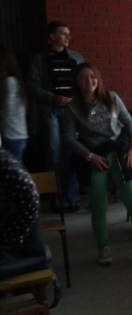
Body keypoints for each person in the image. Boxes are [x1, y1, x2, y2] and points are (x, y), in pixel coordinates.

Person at [62, 62, 132, 266]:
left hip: (119, 153)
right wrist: (89, 156)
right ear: (76, 81)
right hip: (94, 157)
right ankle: (104, 249)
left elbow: (129, 122)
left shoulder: (111, 98)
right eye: (83, 77)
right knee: (99, 206)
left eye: (92, 77)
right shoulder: (72, 107)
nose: (88, 81)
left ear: (98, 78)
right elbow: (68, 137)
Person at [0, 145, 62, 315]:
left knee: (31, 304)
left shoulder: (5, 164)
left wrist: (8, 241)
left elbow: (30, 199)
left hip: (23, 244)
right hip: (10, 239)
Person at [27, 21, 84, 212]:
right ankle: (57, 198)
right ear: (52, 37)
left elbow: (86, 82)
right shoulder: (39, 59)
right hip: (50, 111)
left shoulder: (75, 58)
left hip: (71, 112)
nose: (68, 37)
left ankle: (73, 197)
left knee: (71, 152)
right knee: (53, 154)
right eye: (63, 33)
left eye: (68, 34)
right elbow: (33, 86)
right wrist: (53, 98)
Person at [0, 48, 29, 162]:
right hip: (18, 134)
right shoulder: (16, 81)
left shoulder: (9, 82)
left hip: (12, 134)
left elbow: (6, 111)